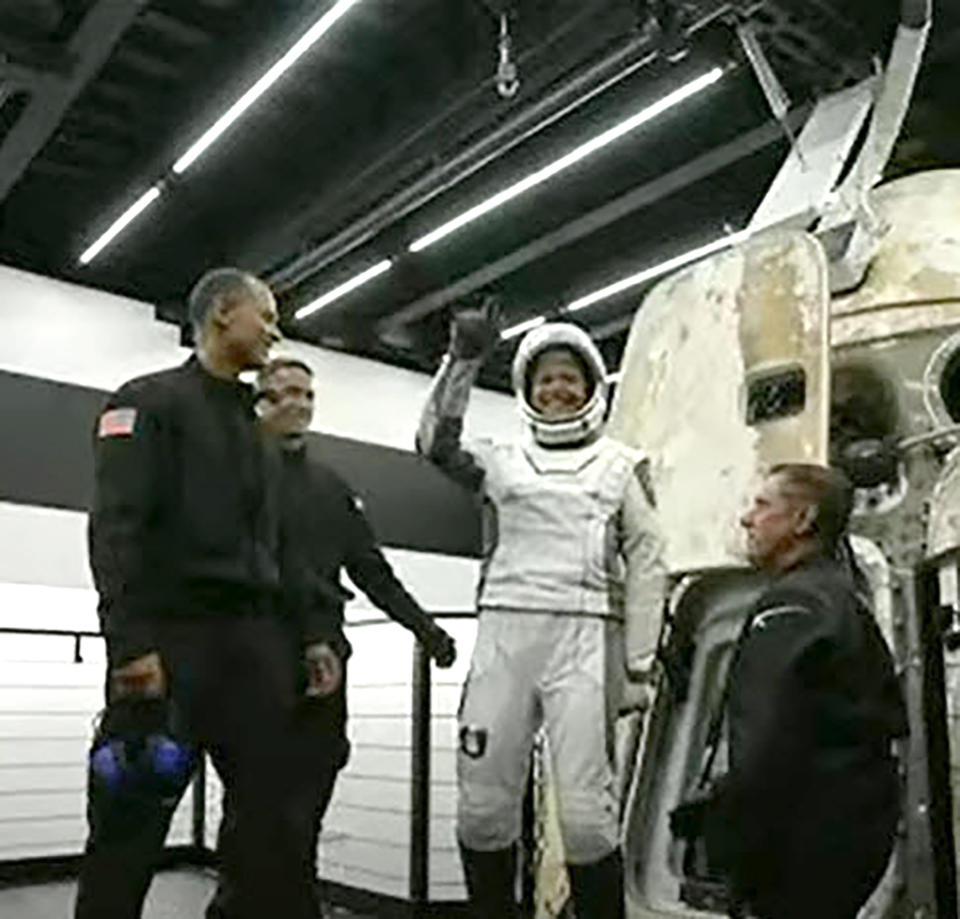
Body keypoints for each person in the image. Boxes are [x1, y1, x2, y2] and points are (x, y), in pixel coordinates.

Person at [76, 268, 320, 919]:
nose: (273, 329)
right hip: (170, 645)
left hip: (256, 651)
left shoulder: (258, 429)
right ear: (220, 313)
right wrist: (130, 646)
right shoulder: (148, 402)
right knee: (128, 831)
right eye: (264, 314)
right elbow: (116, 530)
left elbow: (277, 547)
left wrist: (309, 636)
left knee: (269, 831)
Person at [416, 302, 667, 919]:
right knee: (481, 811)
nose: (558, 389)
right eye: (546, 378)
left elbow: (650, 557)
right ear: (528, 388)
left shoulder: (621, 465)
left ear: (589, 388)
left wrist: (638, 662)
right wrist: (463, 361)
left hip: (585, 646)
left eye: (570, 378)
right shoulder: (500, 460)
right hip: (506, 636)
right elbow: (432, 445)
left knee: (586, 819)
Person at [208, 356, 457, 917]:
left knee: (305, 811)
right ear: (259, 401)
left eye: (306, 394)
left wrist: (426, 629)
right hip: (253, 663)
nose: (298, 403)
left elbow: (371, 570)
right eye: (284, 393)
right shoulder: (233, 480)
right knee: (254, 810)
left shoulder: (329, 487)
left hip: (321, 675)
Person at [709, 463, 907, 919]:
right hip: (848, 837)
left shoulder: (793, 606)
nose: (747, 519)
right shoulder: (839, 597)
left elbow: (764, 745)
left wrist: (742, 856)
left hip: (800, 851)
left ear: (803, 521)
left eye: (762, 505)